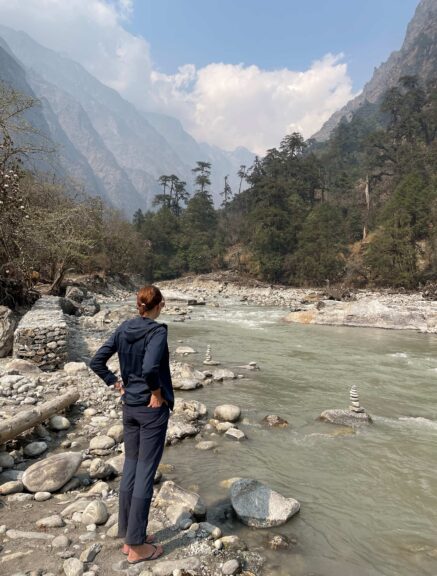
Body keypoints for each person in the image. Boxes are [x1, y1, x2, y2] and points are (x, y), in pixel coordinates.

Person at [89, 285, 174, 564]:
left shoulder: (124, 328)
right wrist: (157, 392)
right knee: (145, 474)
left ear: (139, 305)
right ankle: (137, 547)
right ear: (159, 304)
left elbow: (97, 360)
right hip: (151, 411)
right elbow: (151, 368)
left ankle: (129, 536)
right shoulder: (157, 331)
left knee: (131, 469)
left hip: (130, 408)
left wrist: (115, 383)